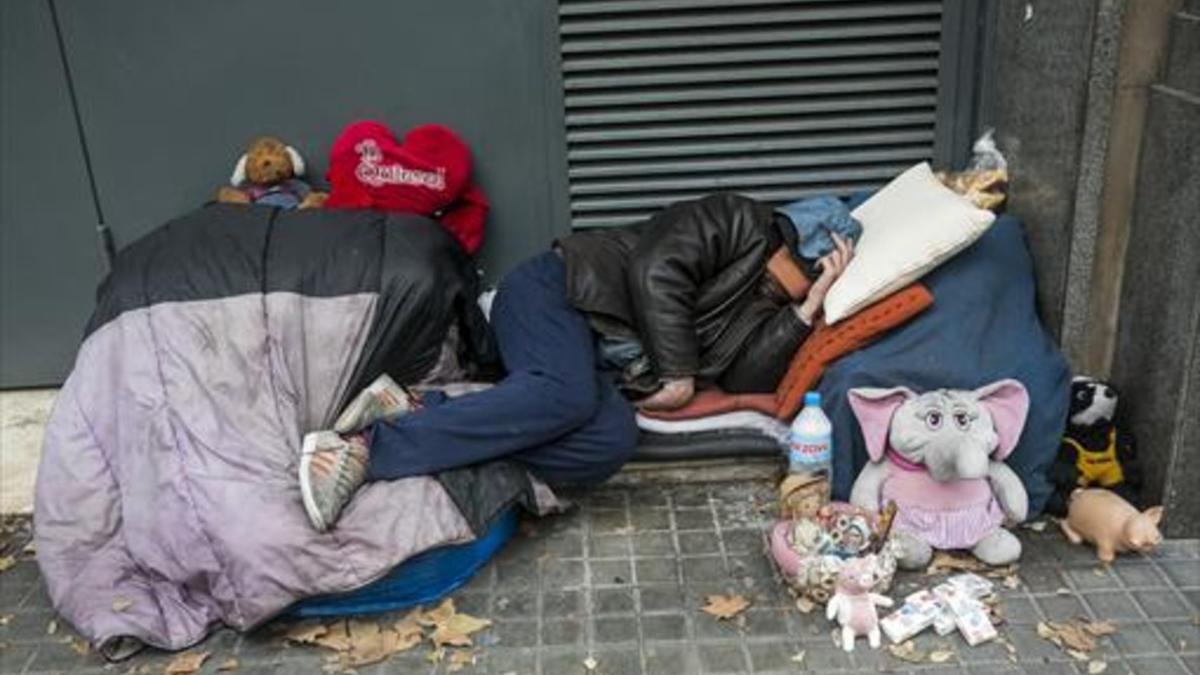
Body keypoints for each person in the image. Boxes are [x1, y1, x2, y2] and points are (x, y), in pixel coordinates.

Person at [298, 192, 855, 531]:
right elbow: (656, 270)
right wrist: (679, 374)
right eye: (818, 269)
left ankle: (418, 409)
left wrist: (807, 308)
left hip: (587, 360)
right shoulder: (736, 219)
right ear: (805, 237)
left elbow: (745, 375)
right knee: (563, 394)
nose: (814, 283)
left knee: (611, 440)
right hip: (555, 291)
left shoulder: (772, 304)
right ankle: (364, 449)